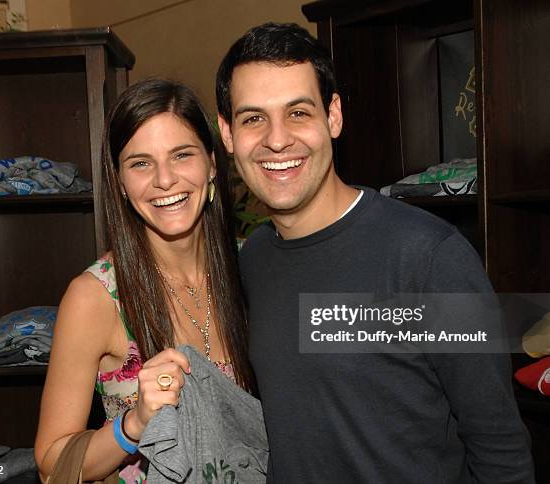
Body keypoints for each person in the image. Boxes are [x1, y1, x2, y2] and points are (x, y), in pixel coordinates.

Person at [216, 22, 535, 483]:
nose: (277, 139)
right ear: (227, 134)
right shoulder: (253, 261)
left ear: (334, 116)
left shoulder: (431, 258)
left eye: (299, 113)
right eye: (253, 118)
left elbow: (500, 448)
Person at [35, 79, 256, 483]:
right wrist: (133, 424)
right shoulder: (95, 297)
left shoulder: (256, 267)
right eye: (140, 163)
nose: (165, 180)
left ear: (210, 163)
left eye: (182, 155)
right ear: (119, 182)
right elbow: (52, 462)